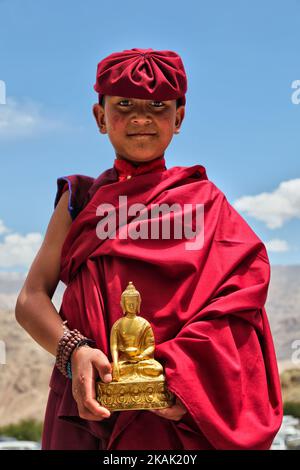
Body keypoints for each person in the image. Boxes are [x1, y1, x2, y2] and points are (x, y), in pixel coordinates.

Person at [15, 48, 283, 450]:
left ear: (178, 118)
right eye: (124, 104)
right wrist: (75, 353)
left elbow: (240, 297)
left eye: (158, 106)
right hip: (93, 404)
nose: (141, 118)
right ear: (100, 117)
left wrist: (185, 374)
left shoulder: (204, 203)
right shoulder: (81, 201)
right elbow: (31, 299)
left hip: (179, 414)